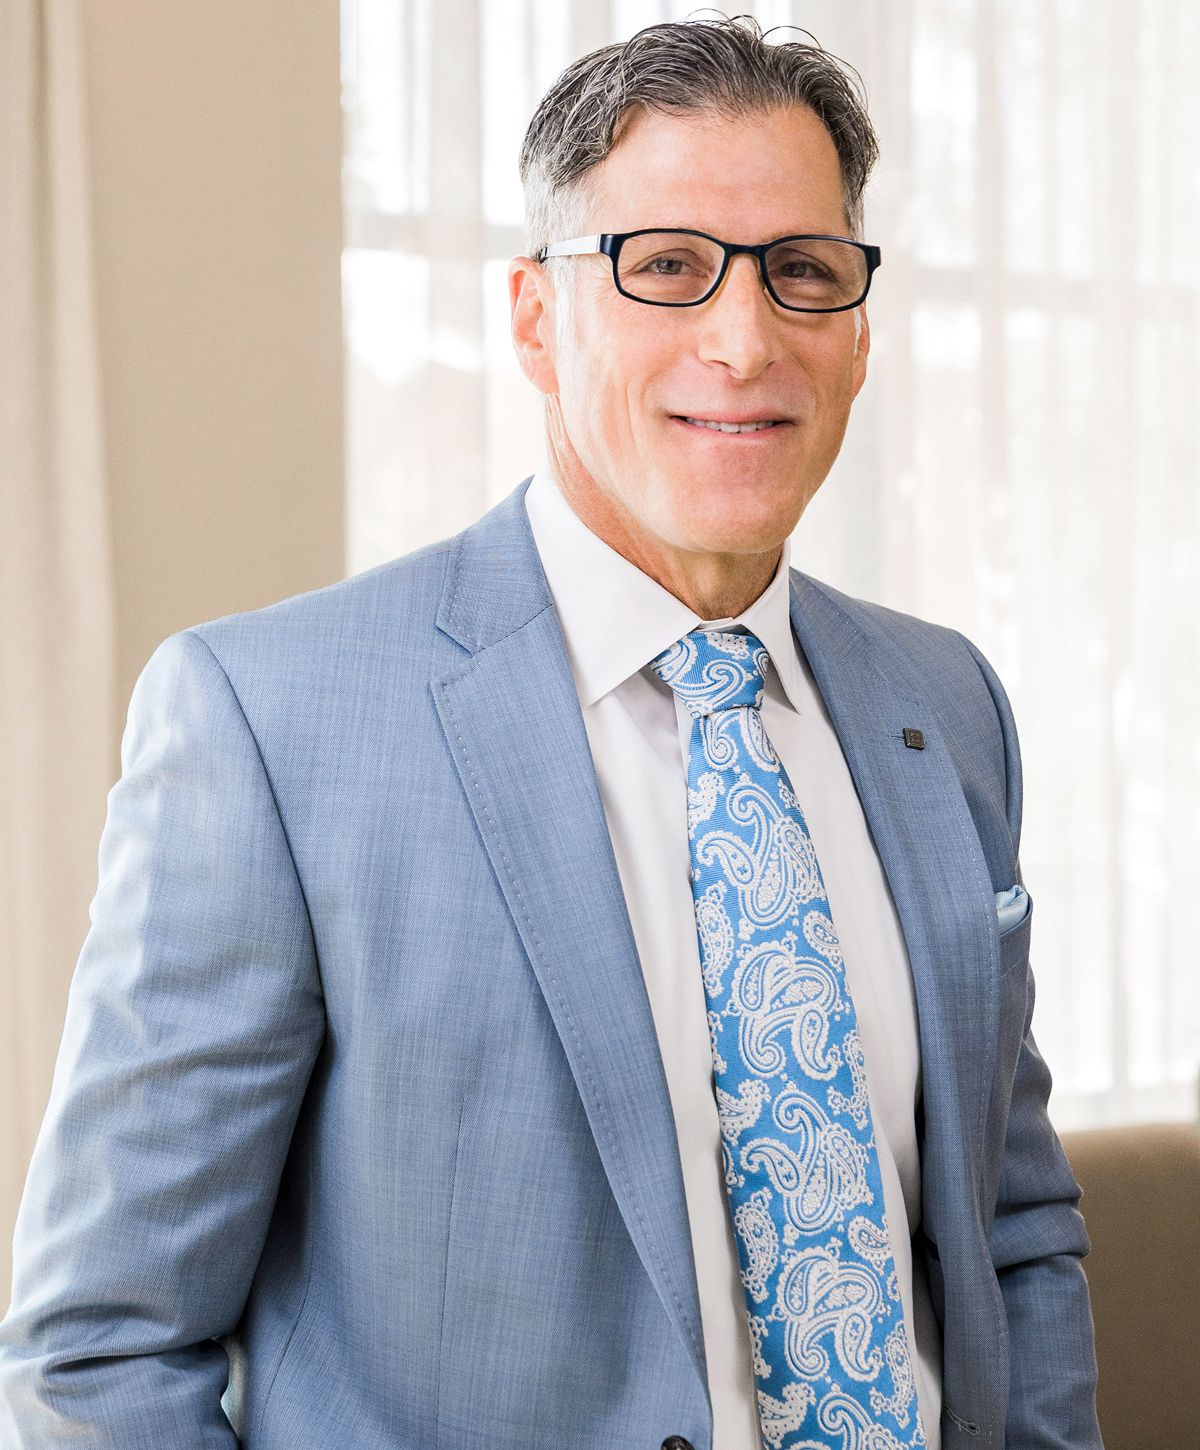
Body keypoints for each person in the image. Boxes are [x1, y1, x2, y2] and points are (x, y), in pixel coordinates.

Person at [0, 15, 1102, 1450]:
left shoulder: (944, 703)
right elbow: (103, 1348)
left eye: (803, 272)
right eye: (664, 267)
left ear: (861, 327)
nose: (743, 335)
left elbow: (1012, 1224)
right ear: (535, 316)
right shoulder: (267, 722)